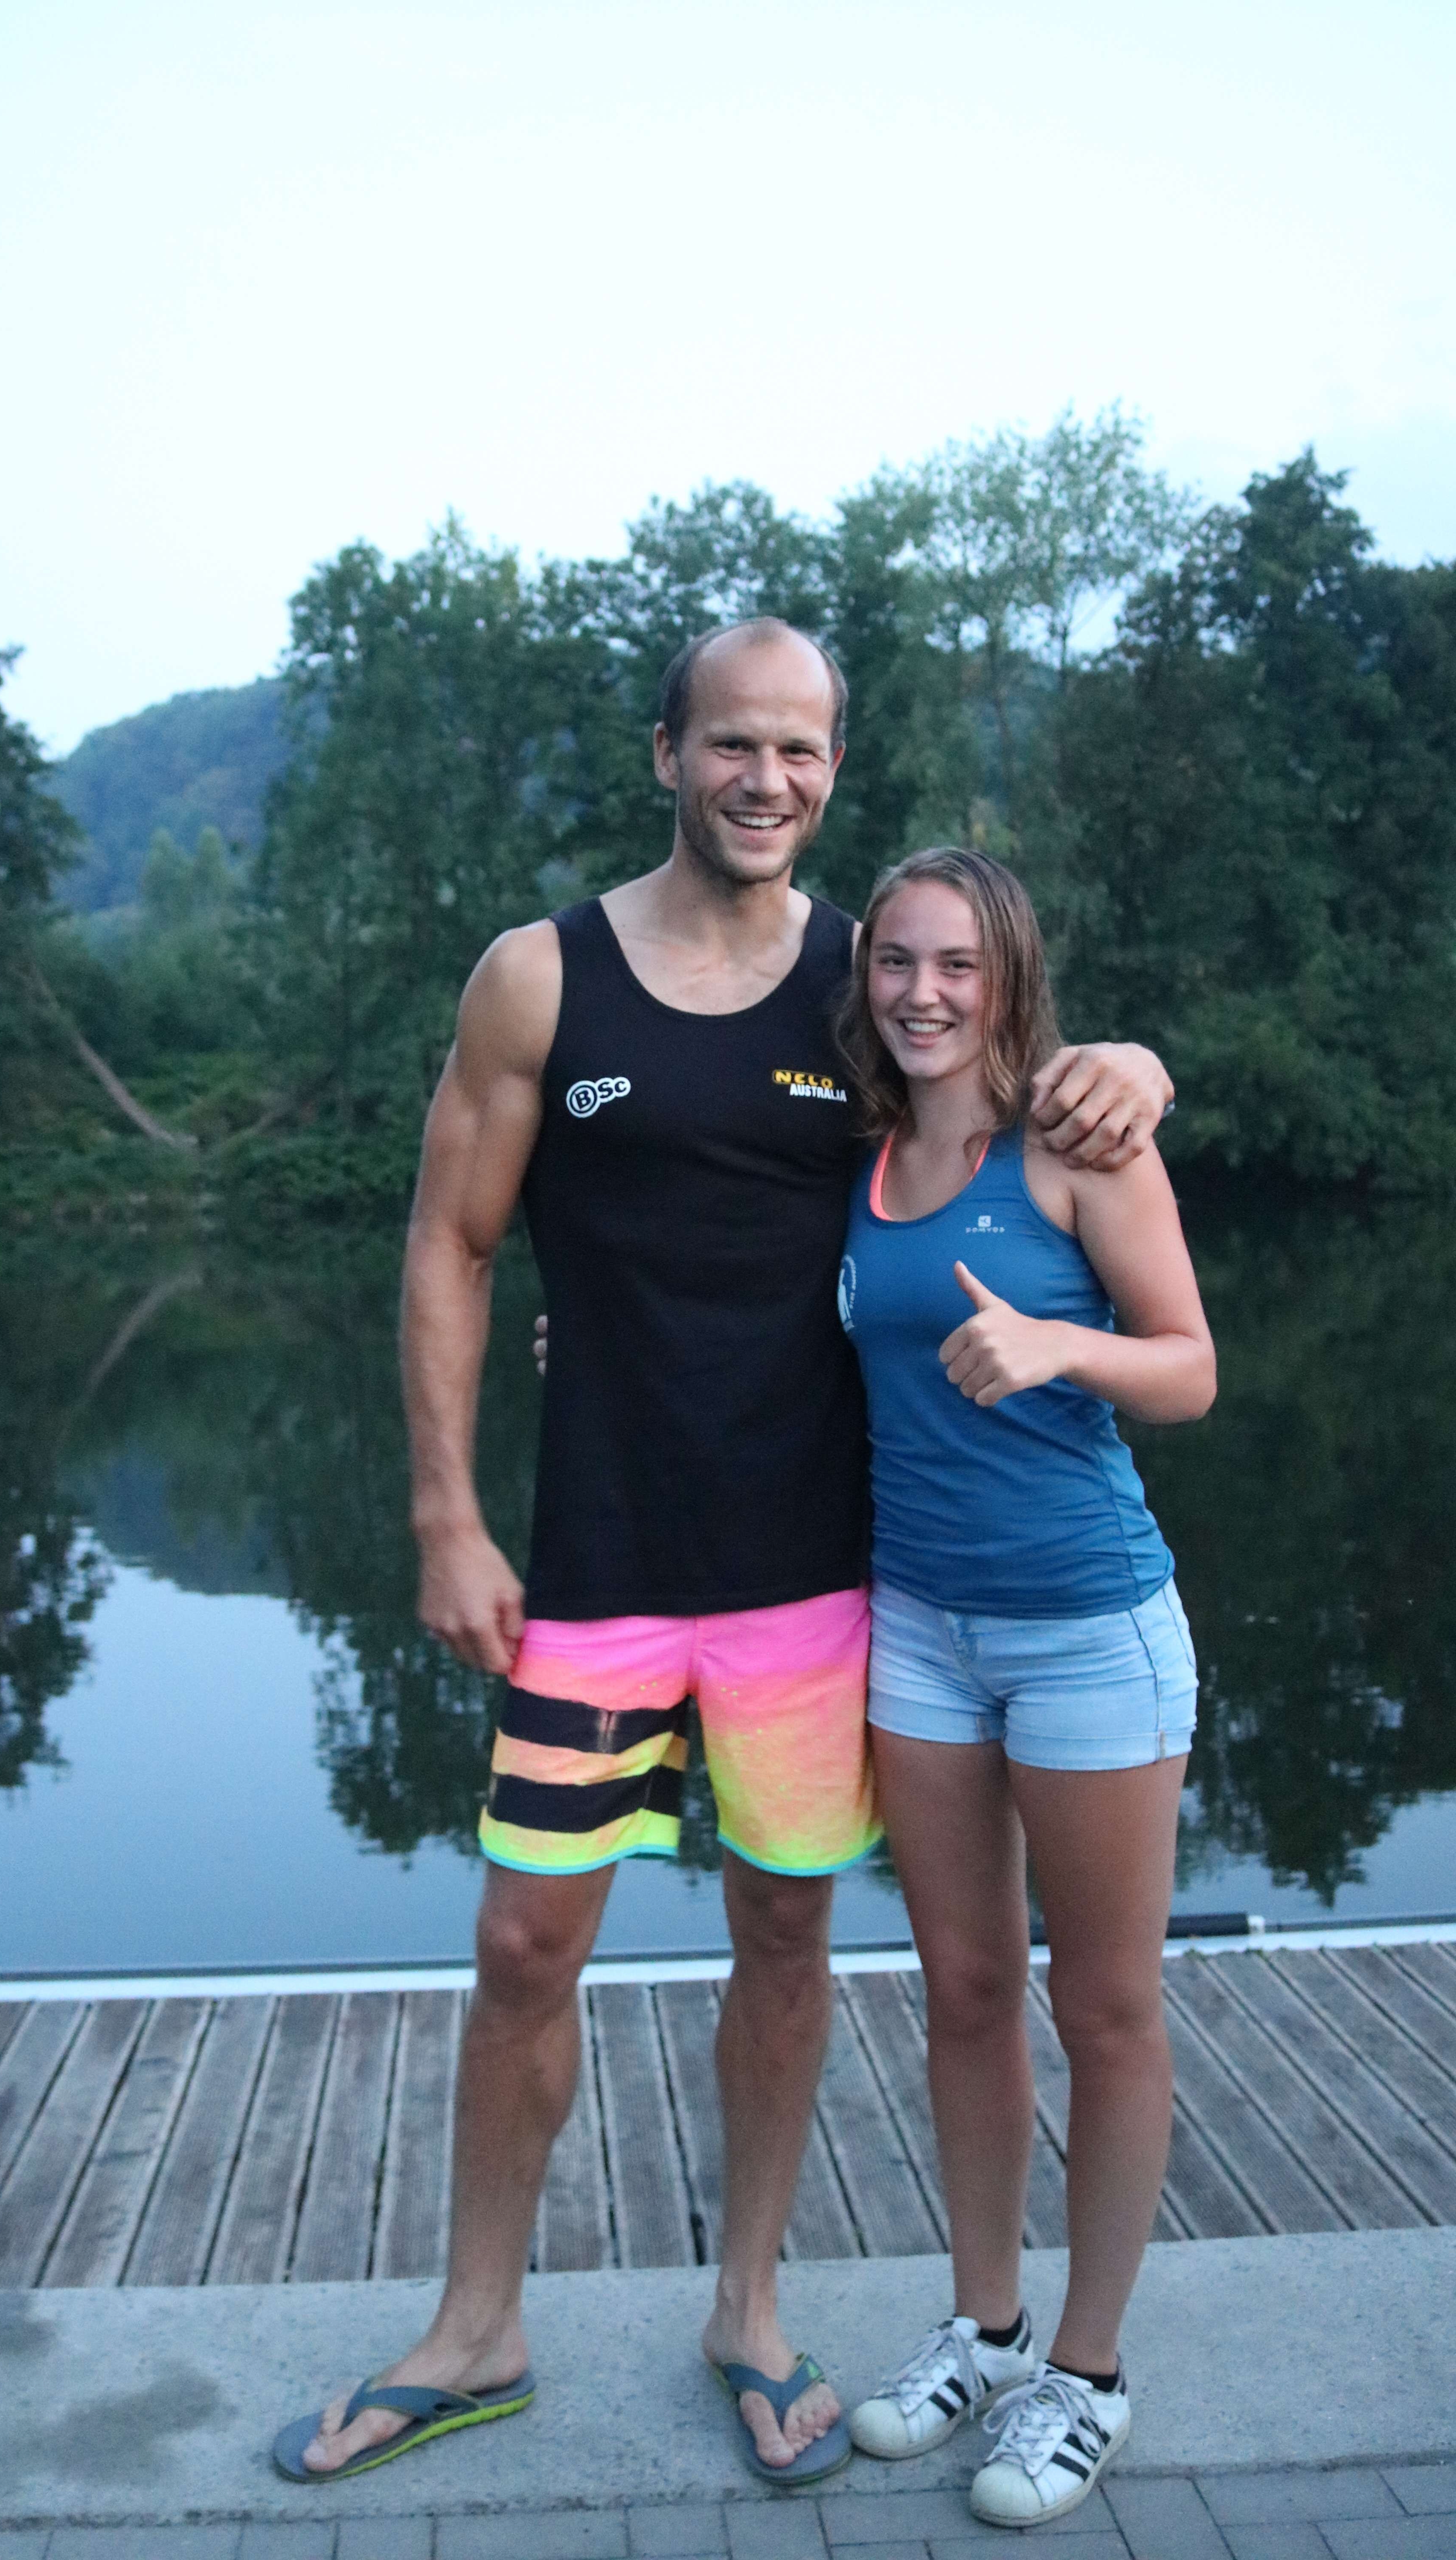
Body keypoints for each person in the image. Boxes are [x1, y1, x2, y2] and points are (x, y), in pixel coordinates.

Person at [272, 621, 1173, 2490]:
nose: (768, 780)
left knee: (784, 1933)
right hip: (594, 1566)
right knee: (524, 1940)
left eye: (802, 750)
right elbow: (452, 1243)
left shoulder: (866, 985)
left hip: (815, 1576)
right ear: (667, 752)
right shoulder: (541, 978)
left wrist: (1136, 1066)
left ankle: (748, 2312)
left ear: (834, 768)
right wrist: (445, 1514)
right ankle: (476, 2328)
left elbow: (1017, 1086)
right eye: (734, 744)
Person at [833, 848, 1214, 2528]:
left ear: (1009, 981)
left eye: (957, 967)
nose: (923, 993)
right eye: (896, 962)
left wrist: (1064, 1347)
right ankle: (983, 2334)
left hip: (1085, 1629)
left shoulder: (1077, 1144)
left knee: (1106, 2008)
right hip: (918, 1631)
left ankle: (1087, 2373)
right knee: (968, 1992)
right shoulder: (857, 1155)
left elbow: (1191, 1367)